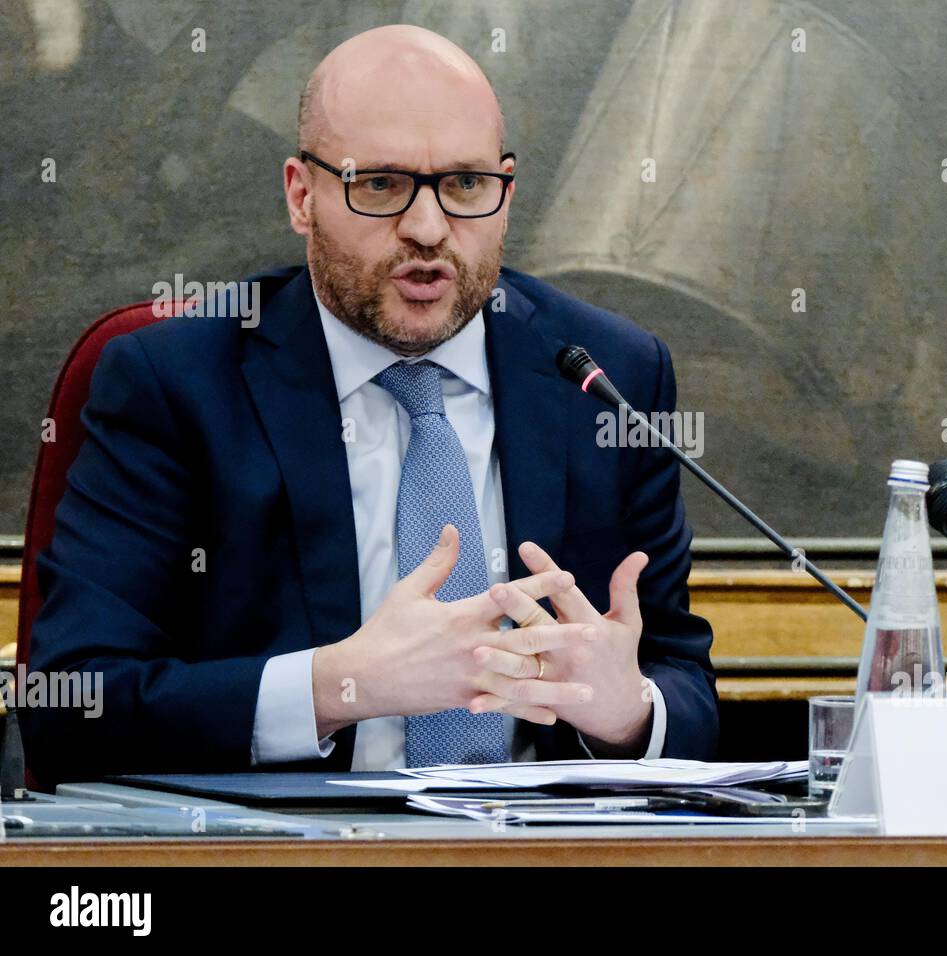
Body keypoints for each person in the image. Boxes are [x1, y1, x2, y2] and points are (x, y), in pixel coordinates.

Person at [22, 25, 718, 784]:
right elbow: (72, 707)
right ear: (301, 195)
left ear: (506, 195)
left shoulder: (607, 378)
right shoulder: (175, 383)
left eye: (465, 186)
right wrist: (337, 686)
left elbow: (679, 680)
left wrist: (628, 714)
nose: (427, 229)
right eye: (380, 185)